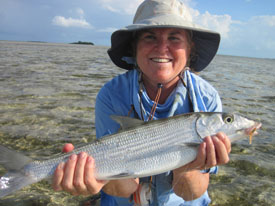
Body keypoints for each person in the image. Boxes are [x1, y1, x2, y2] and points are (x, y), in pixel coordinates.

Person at [52, 0, 231, 205]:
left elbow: (191, 193)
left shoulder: (206, 98)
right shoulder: (111, 94)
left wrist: (190, 165)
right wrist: (98, 178)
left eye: (174, 37)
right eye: (150, 37)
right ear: (134, 47)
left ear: (190, 49)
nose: (162, 48)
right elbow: (124, 188)